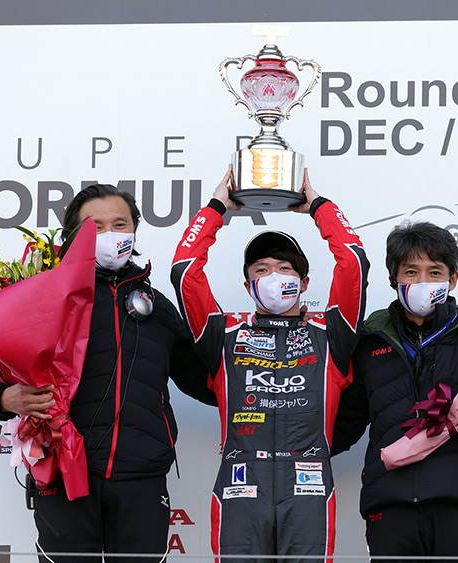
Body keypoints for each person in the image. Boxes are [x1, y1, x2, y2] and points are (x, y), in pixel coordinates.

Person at [0, 184, 214, 563]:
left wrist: (257, 377)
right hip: (65, 471)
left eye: (120, 225)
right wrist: (6, 398)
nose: (110, 235)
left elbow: (203, 381)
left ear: (134, 231)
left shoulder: (157, 307)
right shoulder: (45, 299)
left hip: (142, 474)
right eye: (95, 227)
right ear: (72, 237)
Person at [170, 166, 369, 562]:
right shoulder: (224, 335)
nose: (273, 276)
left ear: (304, 283)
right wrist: (216, 210)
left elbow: (353, 262)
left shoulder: (332, 334)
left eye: (284, 268)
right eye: (261, 269)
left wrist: (319, 207)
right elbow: (185, 271)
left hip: (309, 487)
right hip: (240, 486)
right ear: (248, 286)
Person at [332, 220, 458, 562]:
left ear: (452, 280)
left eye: (435, 272)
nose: (423, 282)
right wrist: (293, 446)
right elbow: (346, 423)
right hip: (389, 503)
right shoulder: (369, 341)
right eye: (411, 272)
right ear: (393, 278)